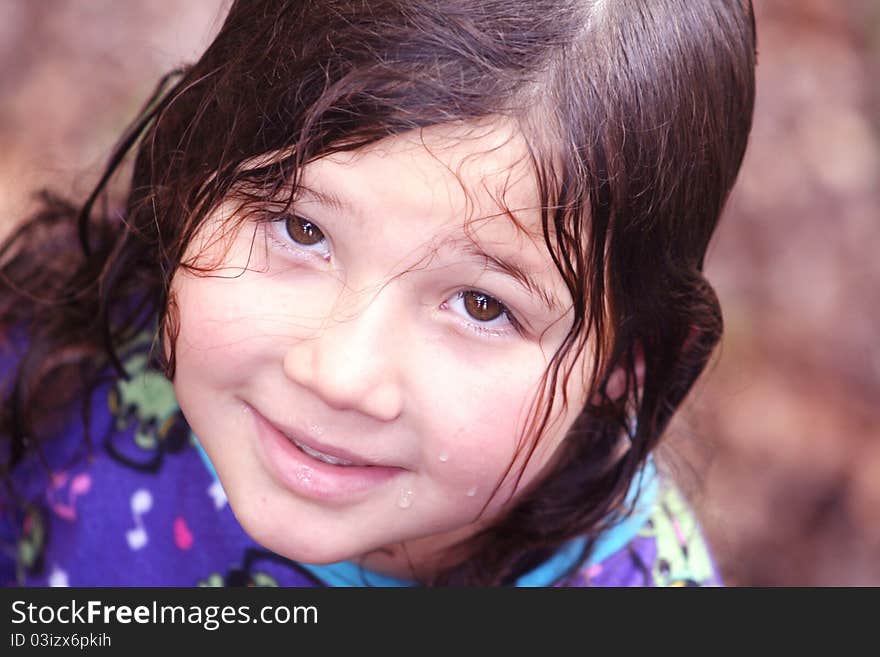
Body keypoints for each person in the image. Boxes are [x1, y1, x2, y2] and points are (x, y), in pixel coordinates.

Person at [0, 0, 756, 587]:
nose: (341, 375)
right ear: (195, 172)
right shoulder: (64, 349)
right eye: (300, 227)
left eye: (482, 304)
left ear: (628, 364)